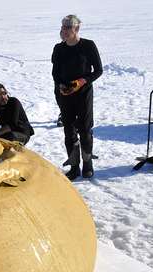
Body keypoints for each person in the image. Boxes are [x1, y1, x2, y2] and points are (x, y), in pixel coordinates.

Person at [52, 14, 102, 180]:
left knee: (85, 129)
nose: (64, 31)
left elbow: (98, 70)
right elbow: (55, 73)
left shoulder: (88, 46)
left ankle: (87, 164)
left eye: (68, 27)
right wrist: (60, 85)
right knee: (69, 130)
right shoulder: (58, 49)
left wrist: (82, 81)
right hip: (65, 94)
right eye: (63, 27)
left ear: (77, 29)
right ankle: (74, 166)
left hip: (83, 92)